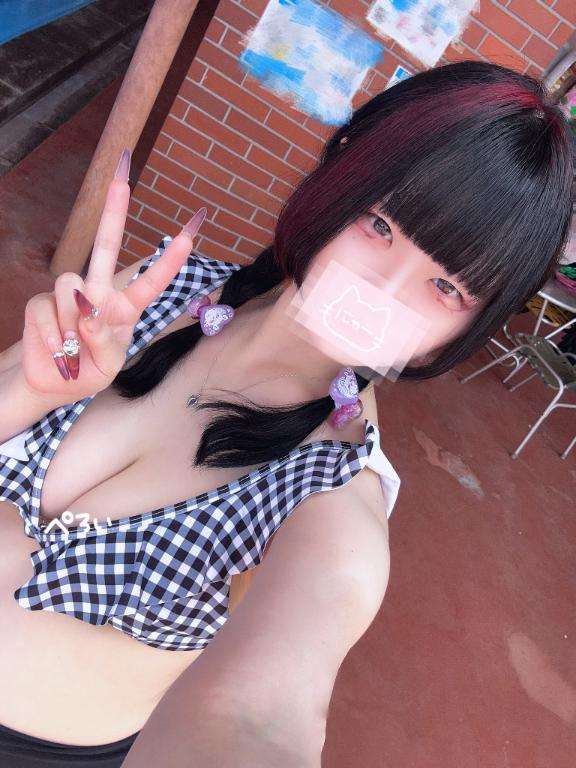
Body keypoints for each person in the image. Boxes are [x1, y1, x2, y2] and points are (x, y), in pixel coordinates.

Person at [0, 59, 572, 768]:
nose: (383, 289)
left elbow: (260, 719)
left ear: (469, 329)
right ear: (339, 173)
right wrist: (37, 391)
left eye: (447, 287)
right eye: (379, 224)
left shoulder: (333, 494)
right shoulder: (161, 291)